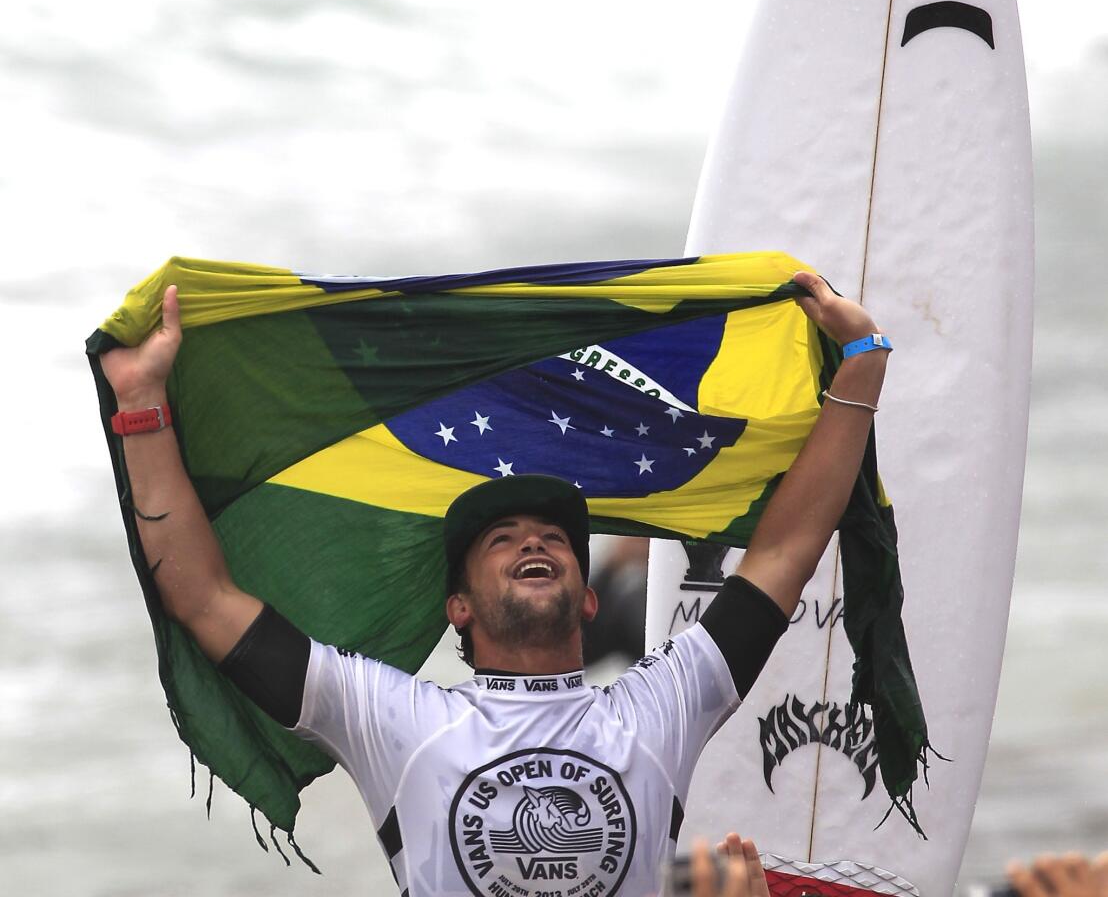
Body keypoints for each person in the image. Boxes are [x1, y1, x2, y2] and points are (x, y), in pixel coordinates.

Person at [99, 270, 890, 897]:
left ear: (588, 597)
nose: (534, 541)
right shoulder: (389, 717)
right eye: (503, 539)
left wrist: (862, 370)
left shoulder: (661, 705)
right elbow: (202, 596)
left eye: (553, 538)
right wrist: (140, 405)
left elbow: (785, 550)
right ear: (459, 608)